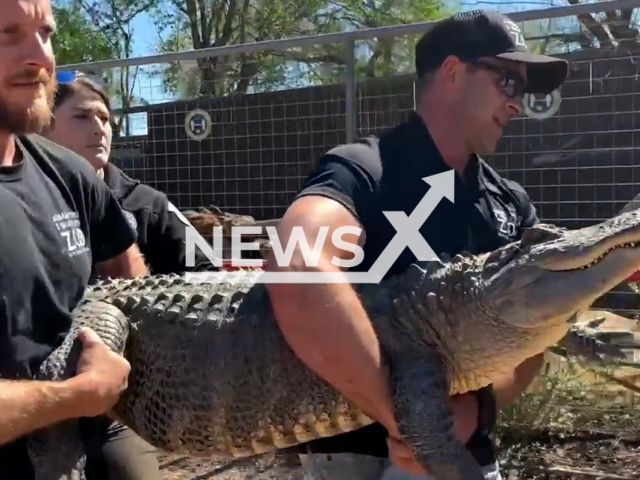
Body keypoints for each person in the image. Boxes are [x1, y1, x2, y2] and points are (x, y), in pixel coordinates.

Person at [266, 9, 569, 480]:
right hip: (355, 456)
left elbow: (535, 337)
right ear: (452, 72)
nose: (517, 103)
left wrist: (476, 411)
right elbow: (296, 264)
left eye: (523, 90)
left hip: (466, 453)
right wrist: (416, 425)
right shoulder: (363, 172)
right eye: (508, 81)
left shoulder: (511, 204)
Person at [0, 0, 150, 478]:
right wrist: (74, 396)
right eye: (8, 34)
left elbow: (135, 287)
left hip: (95, 434)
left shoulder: (67, 173)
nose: (39, 57)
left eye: (45, 33)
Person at [43, 72, 214, 275]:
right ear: (42, 125)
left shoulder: (148, 205)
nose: (100, 129)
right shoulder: (19, 200)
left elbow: (209, 273)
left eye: (105, 118)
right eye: (82, 116)